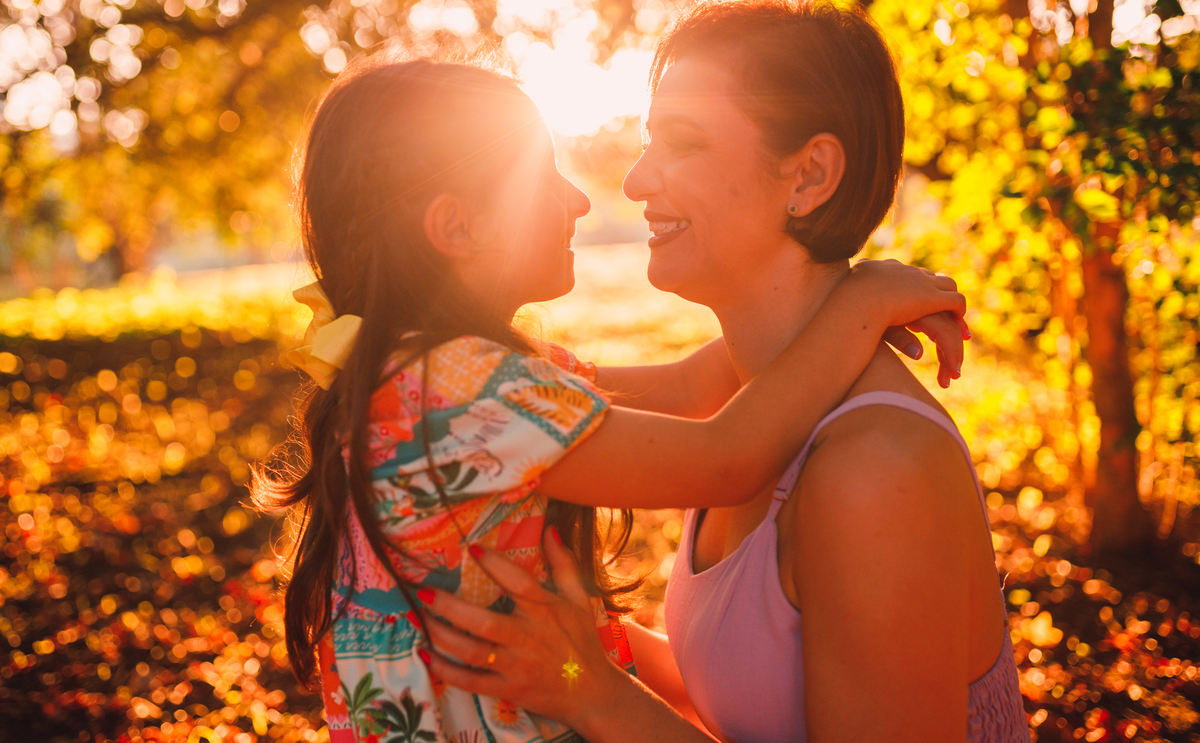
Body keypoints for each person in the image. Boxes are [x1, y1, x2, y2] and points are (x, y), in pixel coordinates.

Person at [254, 49, 968, 743]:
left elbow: (688, 387)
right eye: (542, 178)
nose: (584, 197)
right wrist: (860, 305)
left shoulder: (427, 377)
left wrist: (815, 315)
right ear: (458, 227)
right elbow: (726, 458)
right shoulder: (463, 385)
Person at [417, 0, 1028, 743]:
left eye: (682, 142)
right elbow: (745, 691)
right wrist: (565, 648)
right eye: (649, 141)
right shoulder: (751, 395)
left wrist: (597, 695)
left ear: (808, 177)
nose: (636, 180)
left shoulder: (876, 471)